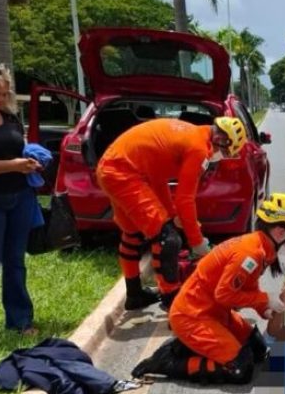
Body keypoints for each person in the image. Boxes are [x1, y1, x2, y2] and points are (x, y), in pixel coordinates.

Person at [133, 192, 285, 384]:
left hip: (216, 312)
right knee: (240, 369)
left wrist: (265, 310)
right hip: (194, 316)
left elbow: (248, 287)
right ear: (279, 232)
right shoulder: (250, 253)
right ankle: (167, 361)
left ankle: (192, 345)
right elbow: (225, 294)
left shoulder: (261, 250)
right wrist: (265, 299)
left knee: (258, 350)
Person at [96, 115, 247, 309]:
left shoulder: (194, 134)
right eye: (224, 152)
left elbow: (159, 178)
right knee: (167, 238)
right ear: (221, 140)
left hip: (114, 168)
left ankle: (134, 295)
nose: (220, 156)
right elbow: (186, 199)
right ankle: (171, 298)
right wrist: (197, 242)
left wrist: (172, 214)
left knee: (133, 235)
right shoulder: (199, 149)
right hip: (123, 173)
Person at [0, 64, 43, 334]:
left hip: (19, 197)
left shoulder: (10, 118)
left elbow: (21, 148)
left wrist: (31, 161)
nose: (0, 99)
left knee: (15, 261)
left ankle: (20, 321)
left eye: (3, 94)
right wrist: (12, 165)